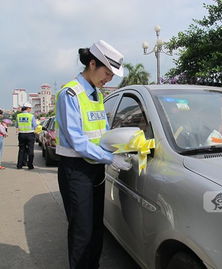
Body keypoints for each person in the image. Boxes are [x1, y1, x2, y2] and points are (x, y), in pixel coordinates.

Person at [55, 40, 131, 269]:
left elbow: (103, 132)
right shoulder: (70, 94)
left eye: (111, 76)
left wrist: (122, 146)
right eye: (107, 73)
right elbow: (77, 140)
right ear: (91, 64)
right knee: (82, 230)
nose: (108, 79)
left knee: (97, 226)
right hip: (75, 170)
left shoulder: (97, 95)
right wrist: (110, 158)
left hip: (95, 166)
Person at [15, 103, 37, 169]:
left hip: (21, 134)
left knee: (21, 150)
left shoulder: (18, 116)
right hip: (30, 134)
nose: (30, 110)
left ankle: (19, 165)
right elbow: (35, 126)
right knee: (30, 150)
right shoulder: (31, 116)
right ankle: (30, 165)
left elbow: (16, 125)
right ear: (27, 108)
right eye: (30, 108)